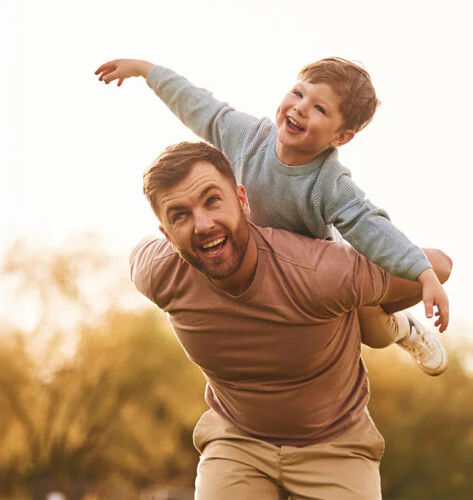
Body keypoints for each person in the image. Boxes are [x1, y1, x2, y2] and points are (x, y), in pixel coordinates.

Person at [130, 141, 452, 498]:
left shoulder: (317, 271)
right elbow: (137, 254)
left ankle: (398, 326)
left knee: (373, 327)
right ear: (166, 235)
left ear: (242, 200)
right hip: (238, 442)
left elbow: (440, 266)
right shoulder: (159, 272)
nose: (203, 224)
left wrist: (374, 302)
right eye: (180, 215)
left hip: (335, 445)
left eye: (212, 200)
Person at [97, 56, 451, 375]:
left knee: (372, 333)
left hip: (312, 272)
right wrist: (146, 71)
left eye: (319, 110)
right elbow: (199, 105)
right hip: (253, 261)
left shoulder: (330, 183)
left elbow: (368, 224)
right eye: (298, 94)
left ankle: (406, 329)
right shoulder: (249, 136)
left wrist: (422, 273)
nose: (299, 109)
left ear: (341, 137)